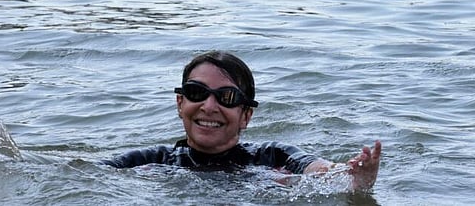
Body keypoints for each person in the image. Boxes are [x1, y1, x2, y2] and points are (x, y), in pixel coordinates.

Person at [102, 51, 382, 192]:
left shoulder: (272, 156)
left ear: (246, 115)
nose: (208, 106)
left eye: (226, 97)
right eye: (197, 93)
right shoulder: (151, 162)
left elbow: (317, 170)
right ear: (180, 103)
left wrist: (352, 177)